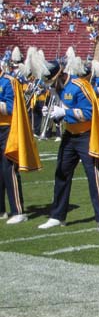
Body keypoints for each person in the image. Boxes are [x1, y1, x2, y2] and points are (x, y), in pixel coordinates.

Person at [39, 47, 99, 233]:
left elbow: (90, 113)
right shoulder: (58, 89)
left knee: (93, 176)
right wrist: (53, 114)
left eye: (52, 83)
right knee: (61, 174)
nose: (50, 87)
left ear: (61, 77)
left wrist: (65, 111)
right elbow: (63, 111)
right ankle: (57, 215)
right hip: (69, 135)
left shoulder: (80, 86)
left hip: (86, 136)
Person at [0, 51, 42, 224]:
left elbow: (12, 108)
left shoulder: (9, 81)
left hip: (8, 129)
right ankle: (1, 210)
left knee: (8, 168)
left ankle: (18, 210)